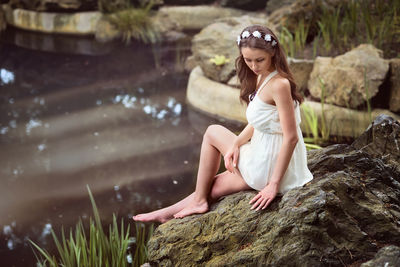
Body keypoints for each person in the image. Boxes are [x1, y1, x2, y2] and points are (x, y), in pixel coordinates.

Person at [133, 25, 313, 223]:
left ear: (273, 53)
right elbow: (263, 121)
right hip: (263, 151)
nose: (253, 66)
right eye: (248, 59)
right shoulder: (262, 76)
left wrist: (273, 184)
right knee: (214, 177)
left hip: (270, 164)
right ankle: (171, 211)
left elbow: (291, 137)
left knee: (212, 136)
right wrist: (235, 144)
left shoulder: (279, 84)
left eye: (259, 60)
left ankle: (186, 206)